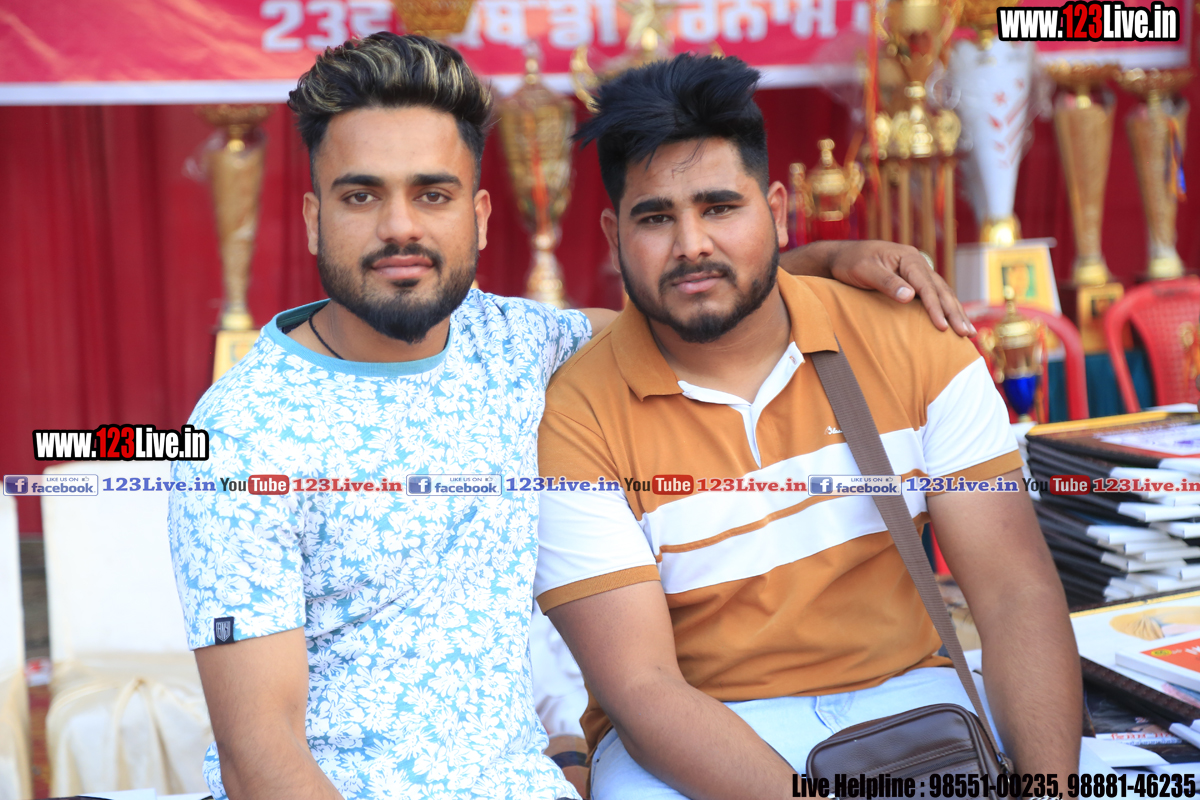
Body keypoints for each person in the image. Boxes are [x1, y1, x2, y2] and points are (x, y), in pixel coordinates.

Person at [167, 33, 972, 800]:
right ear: (314, 219)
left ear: (481, 216)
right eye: (361, 195)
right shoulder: (242, 437)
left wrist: (829, 258)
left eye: (431, 194)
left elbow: (695, 301)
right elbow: (261, 756)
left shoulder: (515, 345)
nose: (400, 226)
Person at [534, 54, 1087, 800]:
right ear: (612, 234)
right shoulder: (575, 415)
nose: (691, 243)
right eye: (656, 218)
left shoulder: (913, 338)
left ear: (777, 210)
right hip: (696, 739)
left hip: (911, 700)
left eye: (719, 208)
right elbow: (643, 688)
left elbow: (1014, 590)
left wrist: (1049, 791)